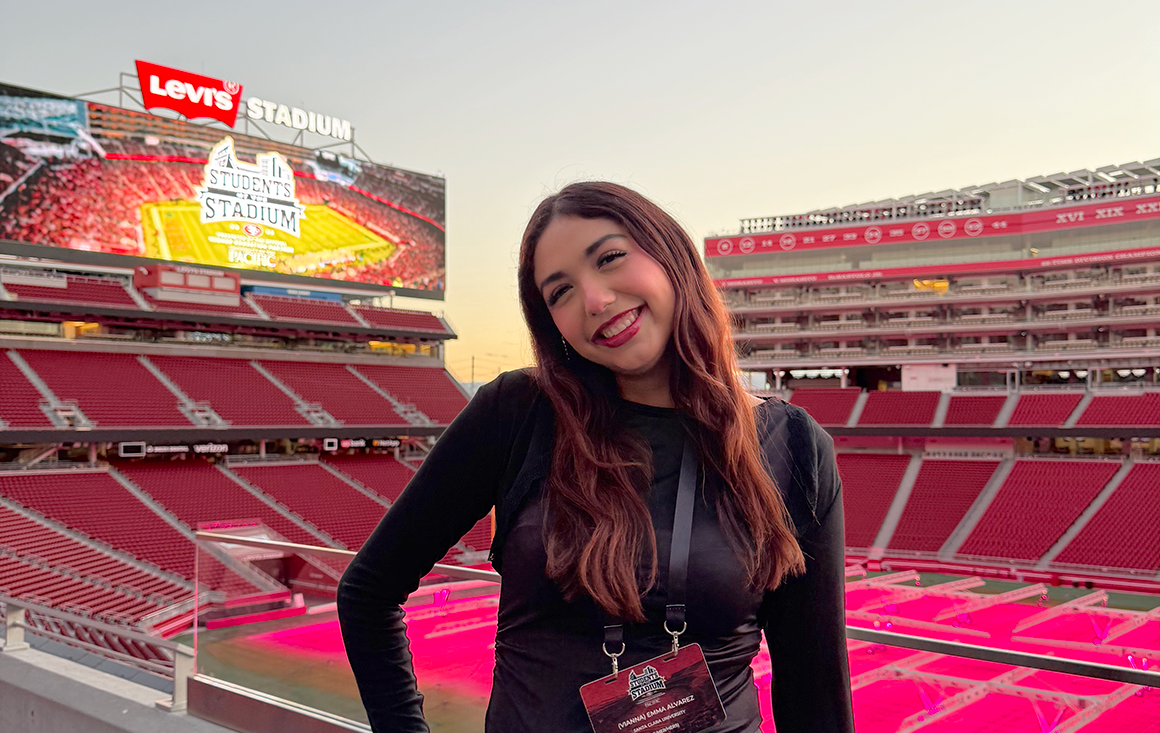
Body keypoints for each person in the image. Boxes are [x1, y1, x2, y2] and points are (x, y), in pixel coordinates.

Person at [337, 182, 854, 733]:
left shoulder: (794, 446)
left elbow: (814, 686)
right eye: (559, 293)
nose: (595, 300)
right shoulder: (517, 413)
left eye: (610, 258)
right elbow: (369, 592)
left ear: (670, 254)